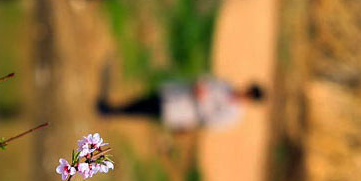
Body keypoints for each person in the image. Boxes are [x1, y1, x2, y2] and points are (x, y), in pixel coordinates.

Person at [98, 74, 266, 131]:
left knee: (146, 111)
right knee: (144, 101)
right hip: (178, 94)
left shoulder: (232, 115)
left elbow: (208, 121)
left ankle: (113, 112)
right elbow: (205, 80)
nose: (245, 93)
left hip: (184, 111)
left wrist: (201, 100)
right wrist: (200, 86)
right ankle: (115, 108)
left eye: (249, 95)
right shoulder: (226, 85)